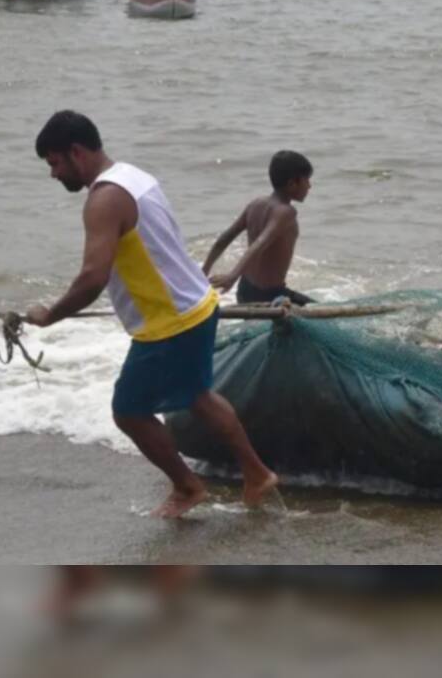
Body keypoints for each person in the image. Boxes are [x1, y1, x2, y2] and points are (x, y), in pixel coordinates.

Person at [26, 111, 278, 518]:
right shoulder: (134, 176)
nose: (54, 174)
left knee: (128, 411)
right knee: (198, 397)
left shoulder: (103, 200)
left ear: (76, 152)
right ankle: (257, 473)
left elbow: (93, 277)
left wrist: (49, 314)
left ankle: (188, 486)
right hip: (197, 306)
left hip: (168, 323)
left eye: (55, 163)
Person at [202, 151, 315, 306]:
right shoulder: (286, 212)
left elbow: (225, 238)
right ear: (292, 184)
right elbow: (260, 243)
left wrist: (203, 273)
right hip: (270, 296)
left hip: (244, 291)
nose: (309, 186)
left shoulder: (256, 204)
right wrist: (232, 276)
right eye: (306, 180)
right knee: (326, 318)